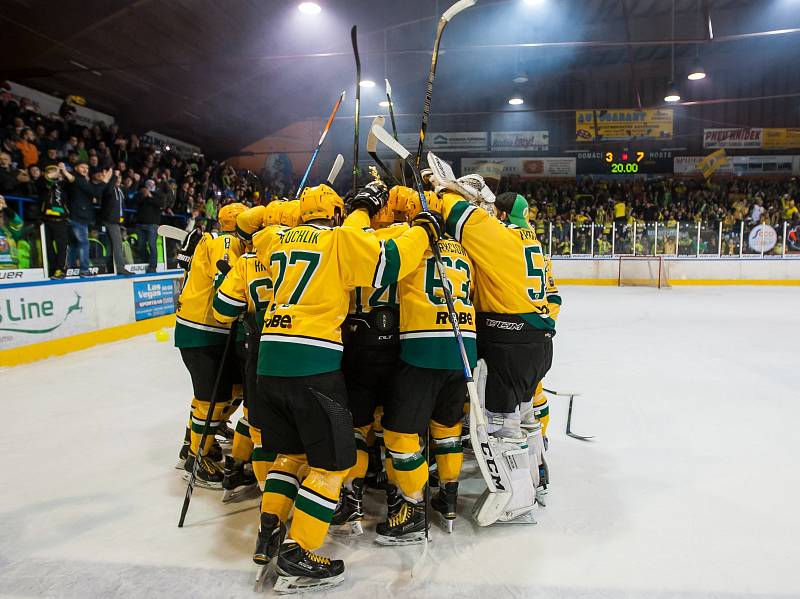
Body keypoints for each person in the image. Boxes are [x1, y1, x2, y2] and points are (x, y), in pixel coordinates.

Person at [249, 182, 438, 592]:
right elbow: (388, 262)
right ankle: (298, 552)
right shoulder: (339, 241)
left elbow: (258, 229)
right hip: (312, 364)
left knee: (290, 455)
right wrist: (423, 229)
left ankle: (269, 531)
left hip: (269, 363)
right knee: (332, 466)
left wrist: (356, 210)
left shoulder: (274, 241)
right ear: (335, 215)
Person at [376, 187, 475, 543]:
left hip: (423, 346)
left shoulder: (411, 239)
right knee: (447, 428)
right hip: (464, 345)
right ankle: (447, 498)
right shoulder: (464, 249)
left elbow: (381, 271)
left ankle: (412, 508)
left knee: (400, 432)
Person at [174, 202, 248, 488]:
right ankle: (198, 457)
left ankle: (193, 441)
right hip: (205, 331)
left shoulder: (215, 239)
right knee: (211, 398)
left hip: (202, 330)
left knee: (228, 392)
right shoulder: (226, 241)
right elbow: (224, 283)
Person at [61, 161, 112, 277]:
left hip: (75, 217)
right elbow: (95, 192)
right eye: (82, 167)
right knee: (84, 244)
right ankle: (84, 270)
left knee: (74, 245)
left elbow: (92, 194)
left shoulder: (82, 181)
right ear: (76, 168)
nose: (85, 169)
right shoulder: (78, 180)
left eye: (87, 168)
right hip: (78, 218)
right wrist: (104, 181)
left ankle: (71, 268)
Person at [38, 164, 71, 278]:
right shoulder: (43, 183)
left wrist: (64, 171)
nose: (58, 174)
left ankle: (61, 270)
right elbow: (41, 183)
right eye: (55, 172)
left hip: (61, 220)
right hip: (47, 220)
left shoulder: (63, 185)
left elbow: (73, 181)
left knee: (62, 246)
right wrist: (50, 176)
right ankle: (52, 269)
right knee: (48, 247)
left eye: (58, 172)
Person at [101, 170, 135, 276]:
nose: (118, 180)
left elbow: (130, 192)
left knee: (112, 246)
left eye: (120, 178)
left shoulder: (120, 190)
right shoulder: (109, 188)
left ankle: (111, 268)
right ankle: (120, 267)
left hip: (117, 222)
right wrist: (113, 176)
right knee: (118, 245)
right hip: (110, 221)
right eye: (117, 178)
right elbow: (107, 191)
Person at [136, 179, 162, 272]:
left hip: (152, 225)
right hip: (140, 224)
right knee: (140, 246)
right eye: (148, 184)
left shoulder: (158, 195)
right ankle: (145, 262)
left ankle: (153, 266)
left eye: (151, 184)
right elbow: (136, 202)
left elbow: (160, 204)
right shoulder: (141, 194)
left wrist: (150, 196)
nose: (149, 186)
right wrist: (143, 194)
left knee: (152, 245)